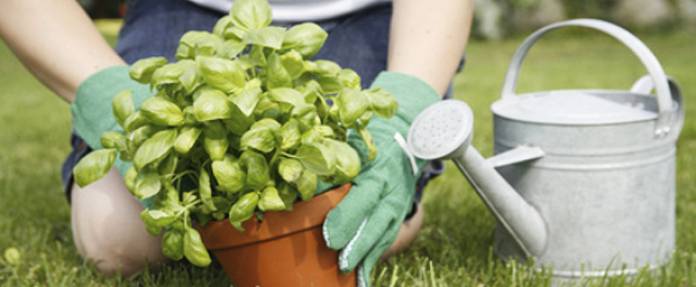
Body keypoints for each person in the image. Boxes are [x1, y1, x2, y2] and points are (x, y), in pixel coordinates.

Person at [0, 0, 472, 285]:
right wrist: (107, 92)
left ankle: (405, 199)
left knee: (345, 212)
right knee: (117, 239)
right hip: (177, 13)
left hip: (374, 17)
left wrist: (407, 105)